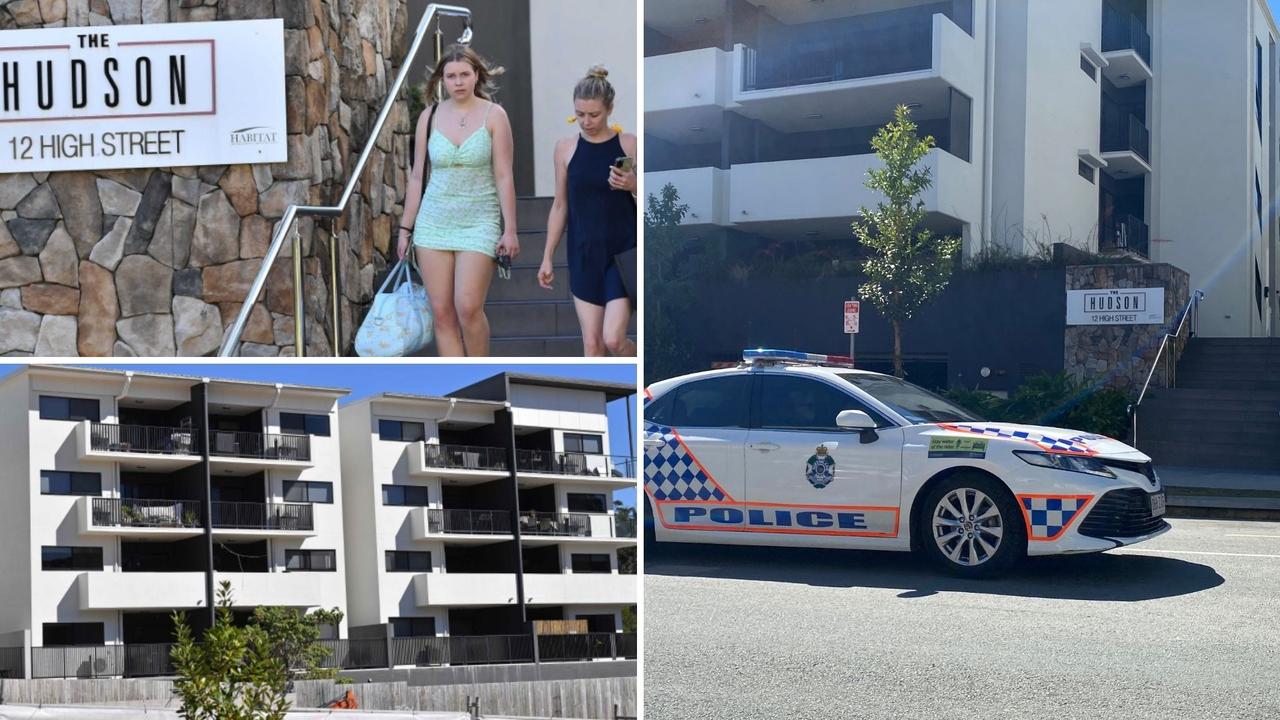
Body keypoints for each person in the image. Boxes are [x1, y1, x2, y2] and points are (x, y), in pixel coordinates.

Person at [397, 45, 518, 357]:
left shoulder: (495, 115)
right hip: (433, 222)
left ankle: (479, 367)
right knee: (442, 313)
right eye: (451, 76)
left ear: (476, 75)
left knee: (468, 307)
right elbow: (416, 176)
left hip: (480, 220)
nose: (458, 81)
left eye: (464, 74)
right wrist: (405, 229)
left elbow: (505, 175)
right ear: (442, 80)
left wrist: (511, 229)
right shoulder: (429, 116)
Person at [538, 65, 637, 357]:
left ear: (609, 110)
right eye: (580, 114)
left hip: (622, 252)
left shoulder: (627, 144)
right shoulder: (565, 148)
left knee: (613, 340)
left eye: (593, 115)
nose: (586, 121)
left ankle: (638, 370)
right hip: (582, 252)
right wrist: (546, 256)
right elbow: (560, 205)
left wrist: (633, 183)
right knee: (592, 346)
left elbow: (651, 198)